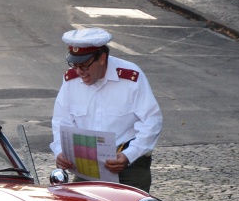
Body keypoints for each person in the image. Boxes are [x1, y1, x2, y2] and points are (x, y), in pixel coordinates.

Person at [51, 27, 162, 191]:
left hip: (128, 166)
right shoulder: (71, 80)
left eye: (84, 66)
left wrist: (128, 155)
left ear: (102, 58)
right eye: (74, 65)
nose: (79, 71)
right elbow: (62, 121)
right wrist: (61, 152)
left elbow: (152, 121)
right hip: (87, 166)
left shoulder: (130, 77)